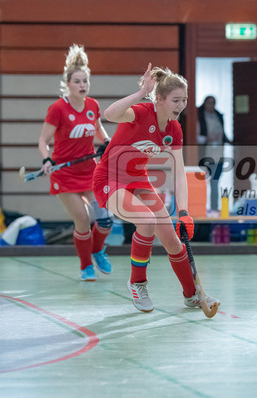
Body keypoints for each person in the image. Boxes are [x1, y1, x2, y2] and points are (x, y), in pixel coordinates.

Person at [93, 63, 218, 313]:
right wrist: (141, 93)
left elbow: (179, 173)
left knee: (172, 239)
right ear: (159, 99)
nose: (181, 105)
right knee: (146, 220)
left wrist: (184, 212)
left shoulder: (174, 128)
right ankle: (137, 283)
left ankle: (193, 295)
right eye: (176, 100)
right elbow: (109, 114)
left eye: (184, 100)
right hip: (109, 179)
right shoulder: (140, 112)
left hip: (138, 179)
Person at [37, 44, 112, 281]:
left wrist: (107, 141)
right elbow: (43, 140)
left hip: (89, 171)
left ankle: (97, 249)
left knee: (106, 219)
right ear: (68, 84)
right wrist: (46, 159)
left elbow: (98, 130)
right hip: (64, 174)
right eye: (77, 81)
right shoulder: (58, 109)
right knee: (82, 218)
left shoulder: (92, 106)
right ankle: (86, 265)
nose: (82, 85)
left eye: (85, 81)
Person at [197, 95, 232, 213]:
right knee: (201, 183)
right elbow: (196, 136)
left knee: (215, 182)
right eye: (209, 102)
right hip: (205, 155)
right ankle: (200, 208)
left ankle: (214, 209)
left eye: (213, 103)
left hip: (219, 155)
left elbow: (222, 133)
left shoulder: (219, 116)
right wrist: (207, 139)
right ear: (204, 103)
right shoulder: (200, 116)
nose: (211, 105)